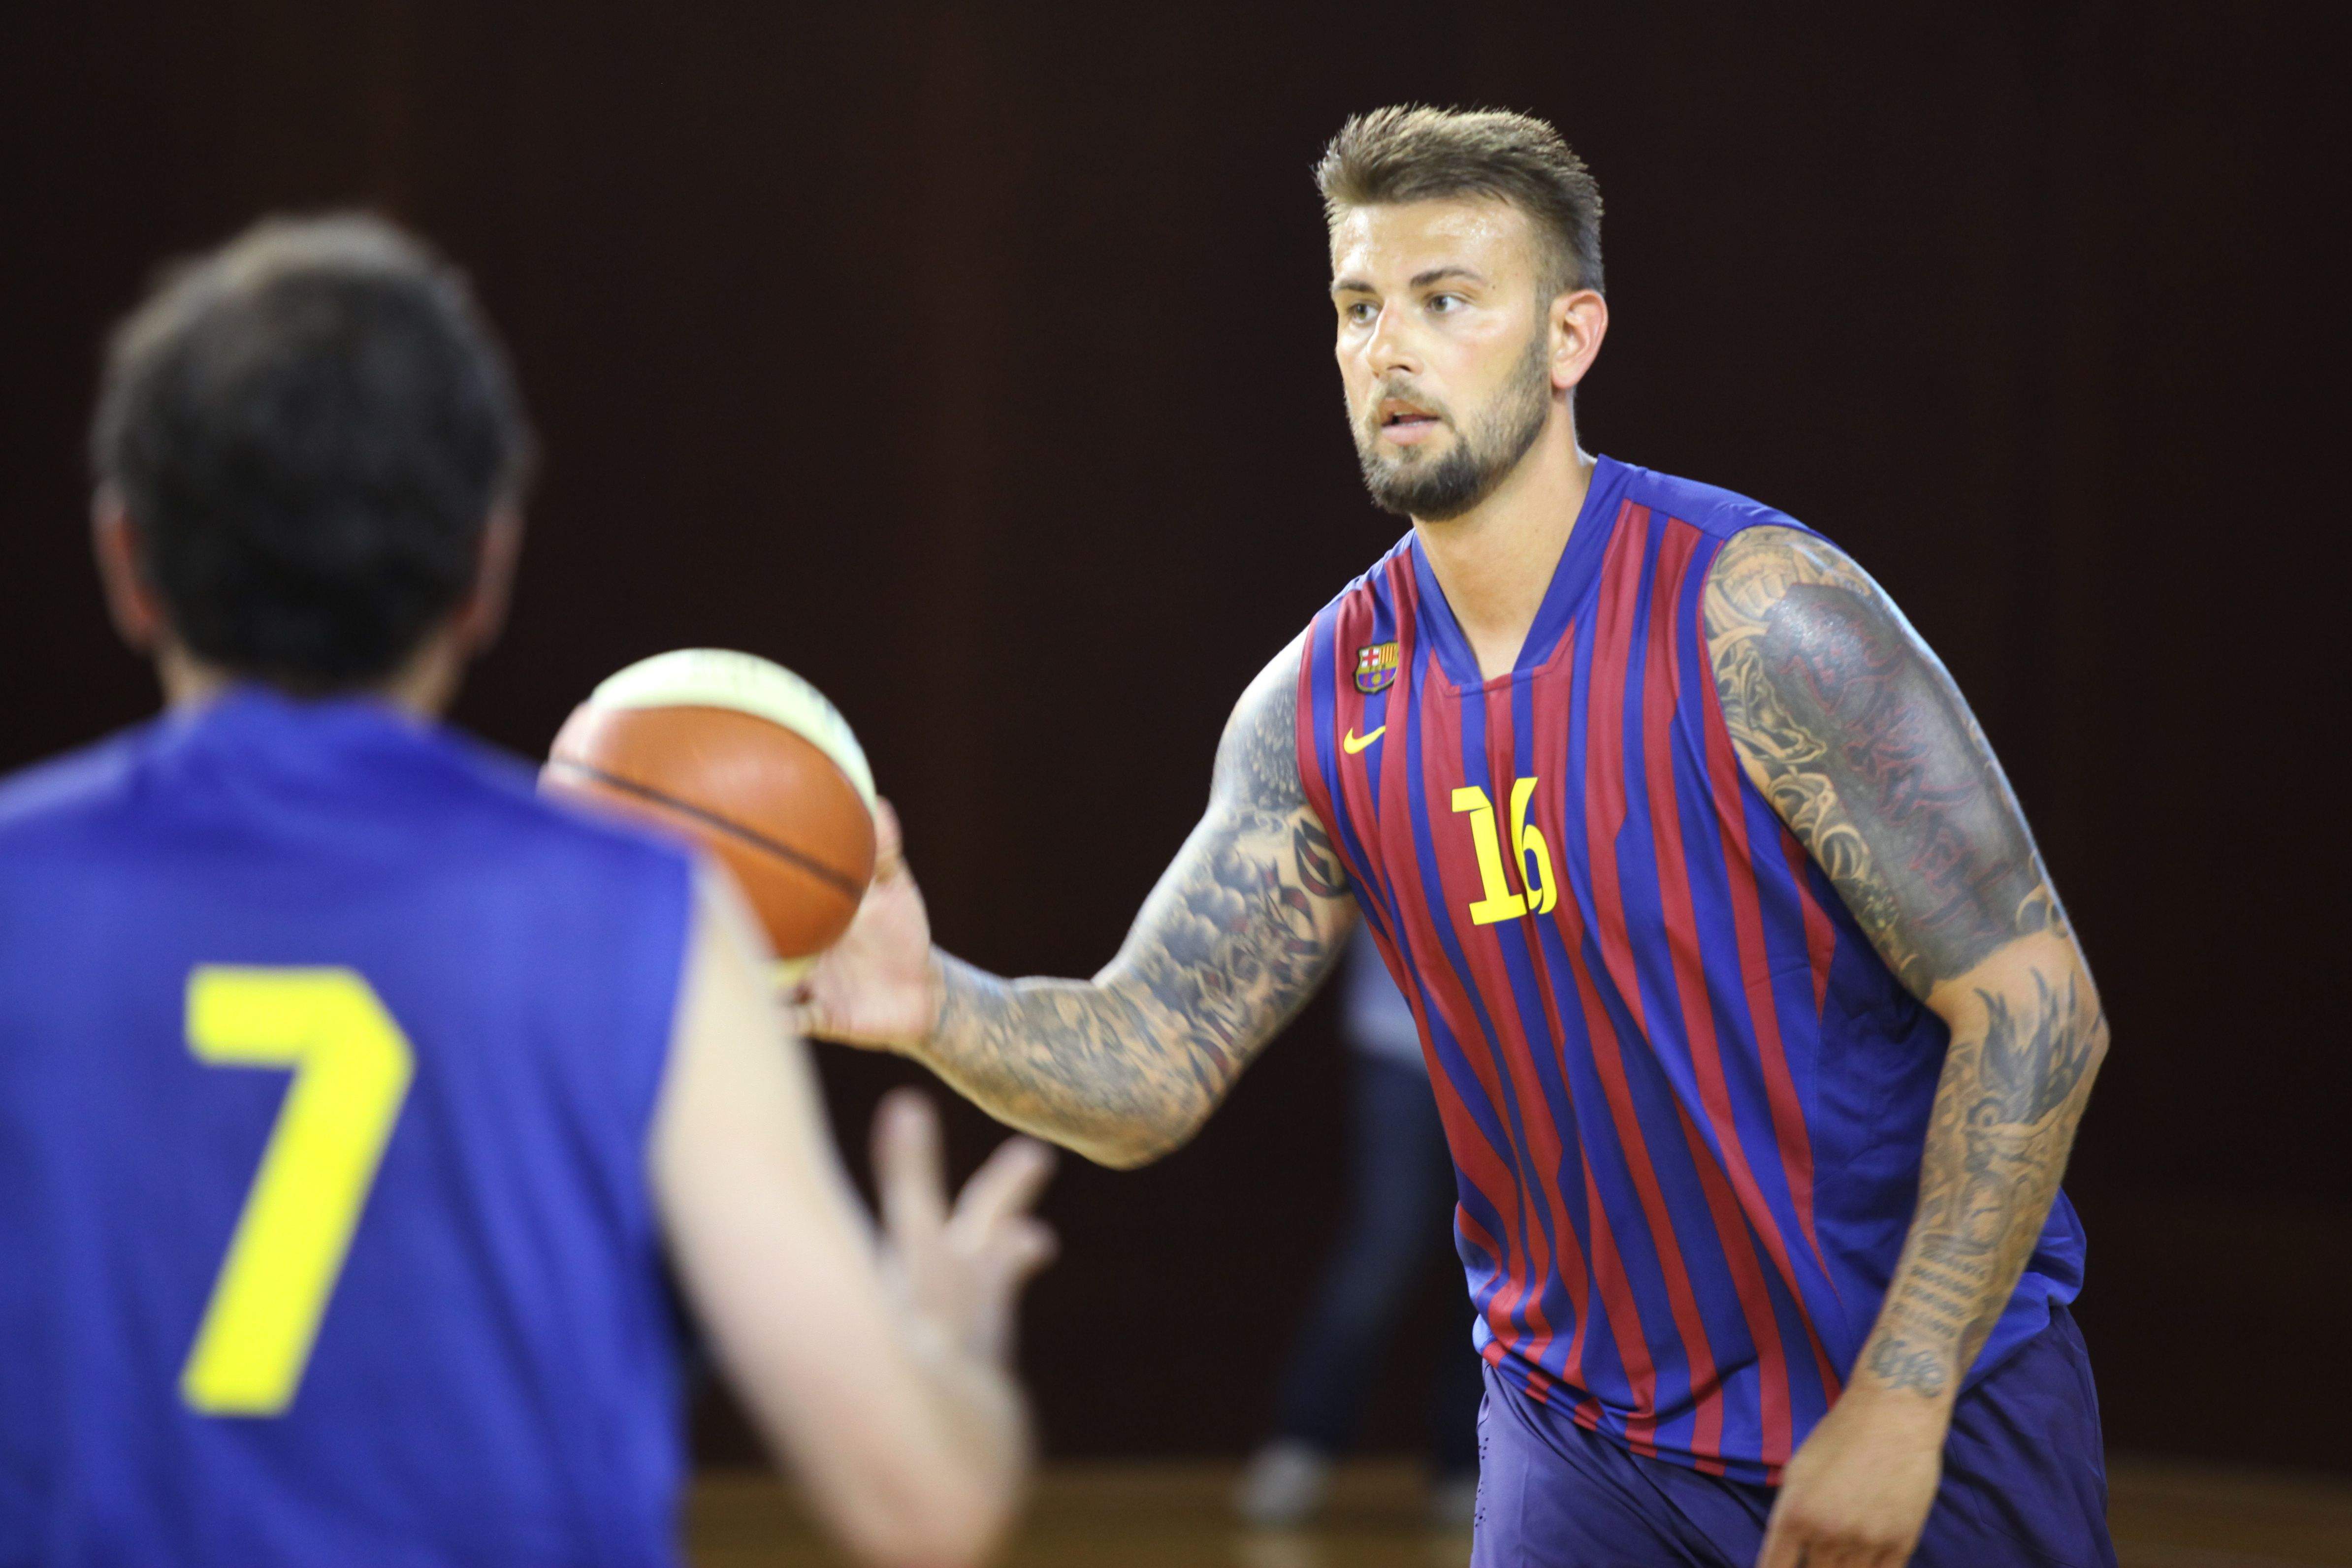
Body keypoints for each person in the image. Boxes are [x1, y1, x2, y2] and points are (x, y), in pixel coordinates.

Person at [793, 106, 2113, 1568]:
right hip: (1579, 1438)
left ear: (1569, 338)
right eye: (1358, 305)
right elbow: (1146, 1062)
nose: (1387, 347)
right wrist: (927, 1001)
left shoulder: (1756, 614)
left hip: (1909, 1404)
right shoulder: (1315, 702)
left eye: (1444, 300)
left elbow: (2035, 1007)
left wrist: (1900, 1395)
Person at [0, 215, 1054, 1568]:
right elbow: (928, 1508)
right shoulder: (642, 923)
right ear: (483, 571)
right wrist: (947, 1346)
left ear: (126, 561)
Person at [1237, 926, 1482, 1529]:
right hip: (1401, 1039)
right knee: (1386, 1246)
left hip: (1521, 1056)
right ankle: (1303, 1437)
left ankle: (1467, 1458)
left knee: (1498, 1257)